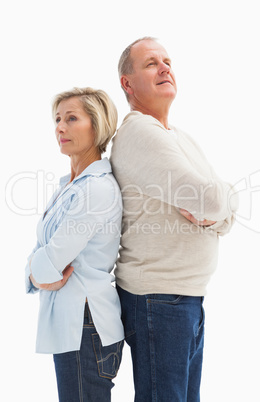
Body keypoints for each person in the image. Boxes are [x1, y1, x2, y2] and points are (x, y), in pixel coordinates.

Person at [110, 37, 239, 401]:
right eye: (151, 63)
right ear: (127, 83)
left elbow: (221, 207)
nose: (165, 67)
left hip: (186, 300)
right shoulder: (139, 132)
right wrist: (218, 205)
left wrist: (217, 211)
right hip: (158, 301)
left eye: (167, 61)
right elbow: (214, 198)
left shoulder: (180, 138)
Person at [25, 87, 124, 402]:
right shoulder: (68, 186)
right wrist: (35, 273)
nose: (60, 128)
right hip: (73, 324)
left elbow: (52, 256)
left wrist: (37, 271)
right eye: (57, 119)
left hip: (86, 324)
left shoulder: (96, 190)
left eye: (71, 118)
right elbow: (40, 258)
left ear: (96, 126)